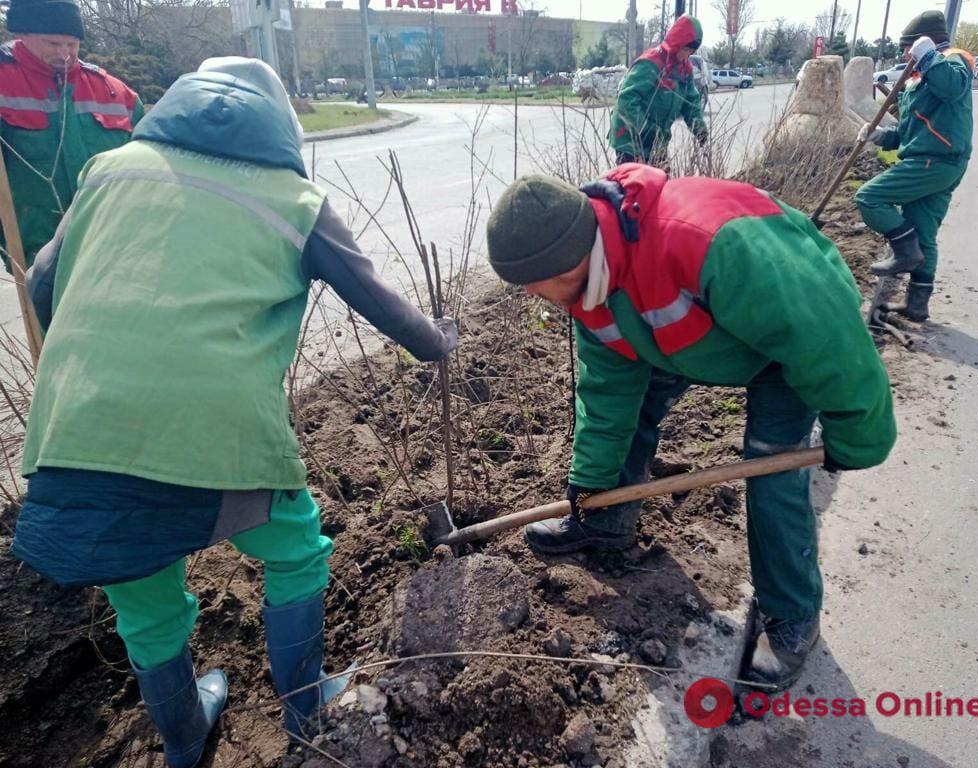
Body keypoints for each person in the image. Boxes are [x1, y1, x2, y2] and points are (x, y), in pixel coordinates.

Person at [11, 58, 457, 768]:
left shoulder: (111, 168)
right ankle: (306, 712)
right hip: (216, 428)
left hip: (77, 432)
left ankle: (187, 741)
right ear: (279, 124)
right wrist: (440, 339)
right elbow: (388, 311)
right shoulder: (294, 198)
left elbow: (39, 284)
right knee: (296, 551)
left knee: (144, 602)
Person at [485, 165, 896, 690]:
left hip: (783, 349)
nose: (528, 295)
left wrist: (860, 429)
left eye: (530, 283)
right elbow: (608, 393)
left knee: (771, 467)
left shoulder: (708, 242)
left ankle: (792, 616)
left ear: (568, 258)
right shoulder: (584, 288)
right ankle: (605, 520)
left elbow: (823, 331)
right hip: (682, 340)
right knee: (630, 413)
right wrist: (589, 485)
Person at [0, 0, 143, 270]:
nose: (65, 53)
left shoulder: (113, 92)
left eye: (72, 44)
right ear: (22, 35)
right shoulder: (4, 81)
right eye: (53, 43)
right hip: (37, 245)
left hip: (112, 239)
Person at [855, 10, 973, 322]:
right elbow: (912, 132)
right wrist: (881, 136)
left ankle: (904, 251)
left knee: (869, 197)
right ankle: (917, 305)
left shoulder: (951, 61)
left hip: (936, 161)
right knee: (923, 233)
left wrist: (929, 56)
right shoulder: (922, 77)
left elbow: (954, 88)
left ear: (924, 43)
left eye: (908, 47)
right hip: (936, 159)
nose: (905, 54)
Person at [608, 14, 708, 167]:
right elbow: (627, 100)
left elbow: (691, 102)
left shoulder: (684, 70)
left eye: (691, 51)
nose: (687, 55)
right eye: (686, 49)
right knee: (636, 186)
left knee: (661, 182)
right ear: (678, 43)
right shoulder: (651, 63)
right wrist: (646, 130)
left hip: (657, 140)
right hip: (631, 138)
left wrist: (699, 128)